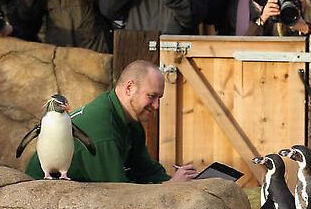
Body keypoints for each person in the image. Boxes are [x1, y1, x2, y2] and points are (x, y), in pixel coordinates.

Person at [25, 60, 197, 183]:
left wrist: (173, 183)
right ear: (129, 88)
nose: (156, 105)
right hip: (43, 194)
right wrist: (171, 188)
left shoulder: (129, 120)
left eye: (159, 98)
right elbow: (119, 196)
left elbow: (144, 170)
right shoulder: (103, 131)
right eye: (151, 96)